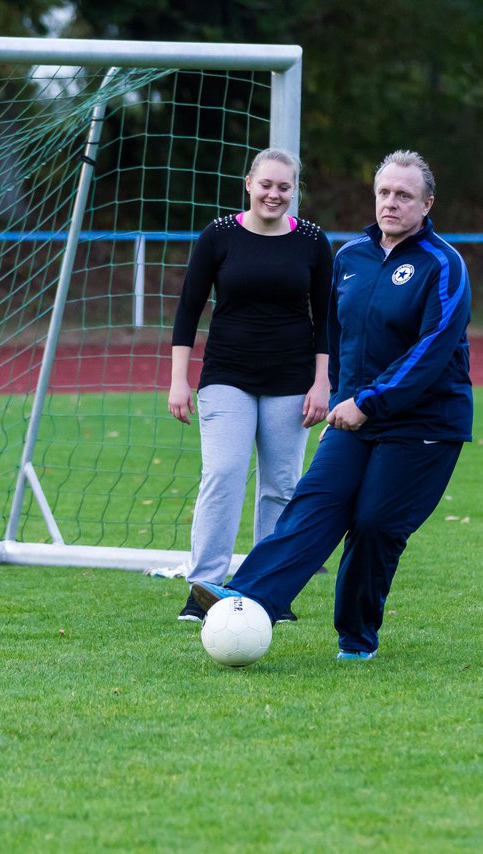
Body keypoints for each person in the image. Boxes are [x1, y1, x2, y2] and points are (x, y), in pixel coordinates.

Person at [192, 149, 472, 660]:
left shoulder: (443, 265)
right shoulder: (350, 258)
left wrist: (367, 401)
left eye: (404, 196)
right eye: (384, 192)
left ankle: (356, 640)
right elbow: (341, 339)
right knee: (314, 501)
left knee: (373, 524)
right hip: (355, 417)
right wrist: (344, 398)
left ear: (427, 204)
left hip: (424, 424)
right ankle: (244, 597)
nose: (391, 203)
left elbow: (432, 349)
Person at [168, 148, 333, 623]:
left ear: (294, 191)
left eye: (285, 187)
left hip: (292, 381)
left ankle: (269, 591)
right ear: (248, 184)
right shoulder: (218, 236)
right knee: (223, 476)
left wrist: (323, 384)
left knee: (282, 487)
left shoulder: (312, 241)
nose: (274, 194)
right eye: (266, 185)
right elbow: (187, 312)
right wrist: (179, 381)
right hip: (226, 377)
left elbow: (326, 320)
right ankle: (202, 589)